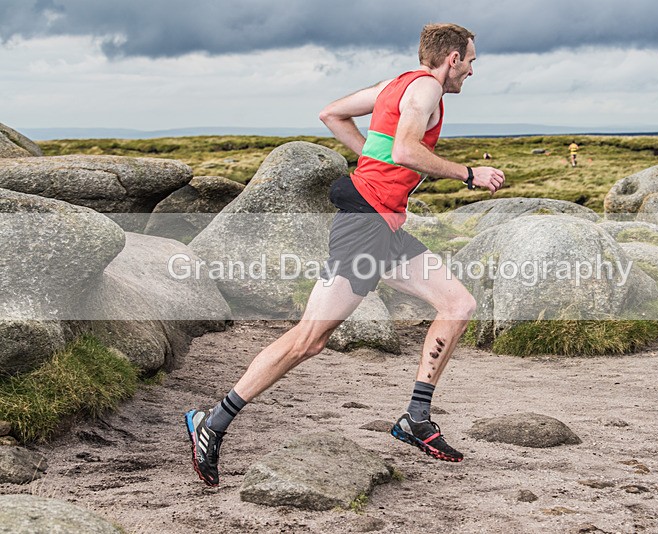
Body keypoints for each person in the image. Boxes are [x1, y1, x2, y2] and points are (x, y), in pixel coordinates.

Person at [184, 23, 505, 487]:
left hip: (384, 225)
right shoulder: (427, 89)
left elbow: (331, 114)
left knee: (458, 304)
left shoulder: (394, 85)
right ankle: (211, 423)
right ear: (451, 58)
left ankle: (416, 417)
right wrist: (467, 173)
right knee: (309, 340)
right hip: (365, 226)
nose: (472, 71)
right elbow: (407, 148)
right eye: (471, 61)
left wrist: (374, 164)